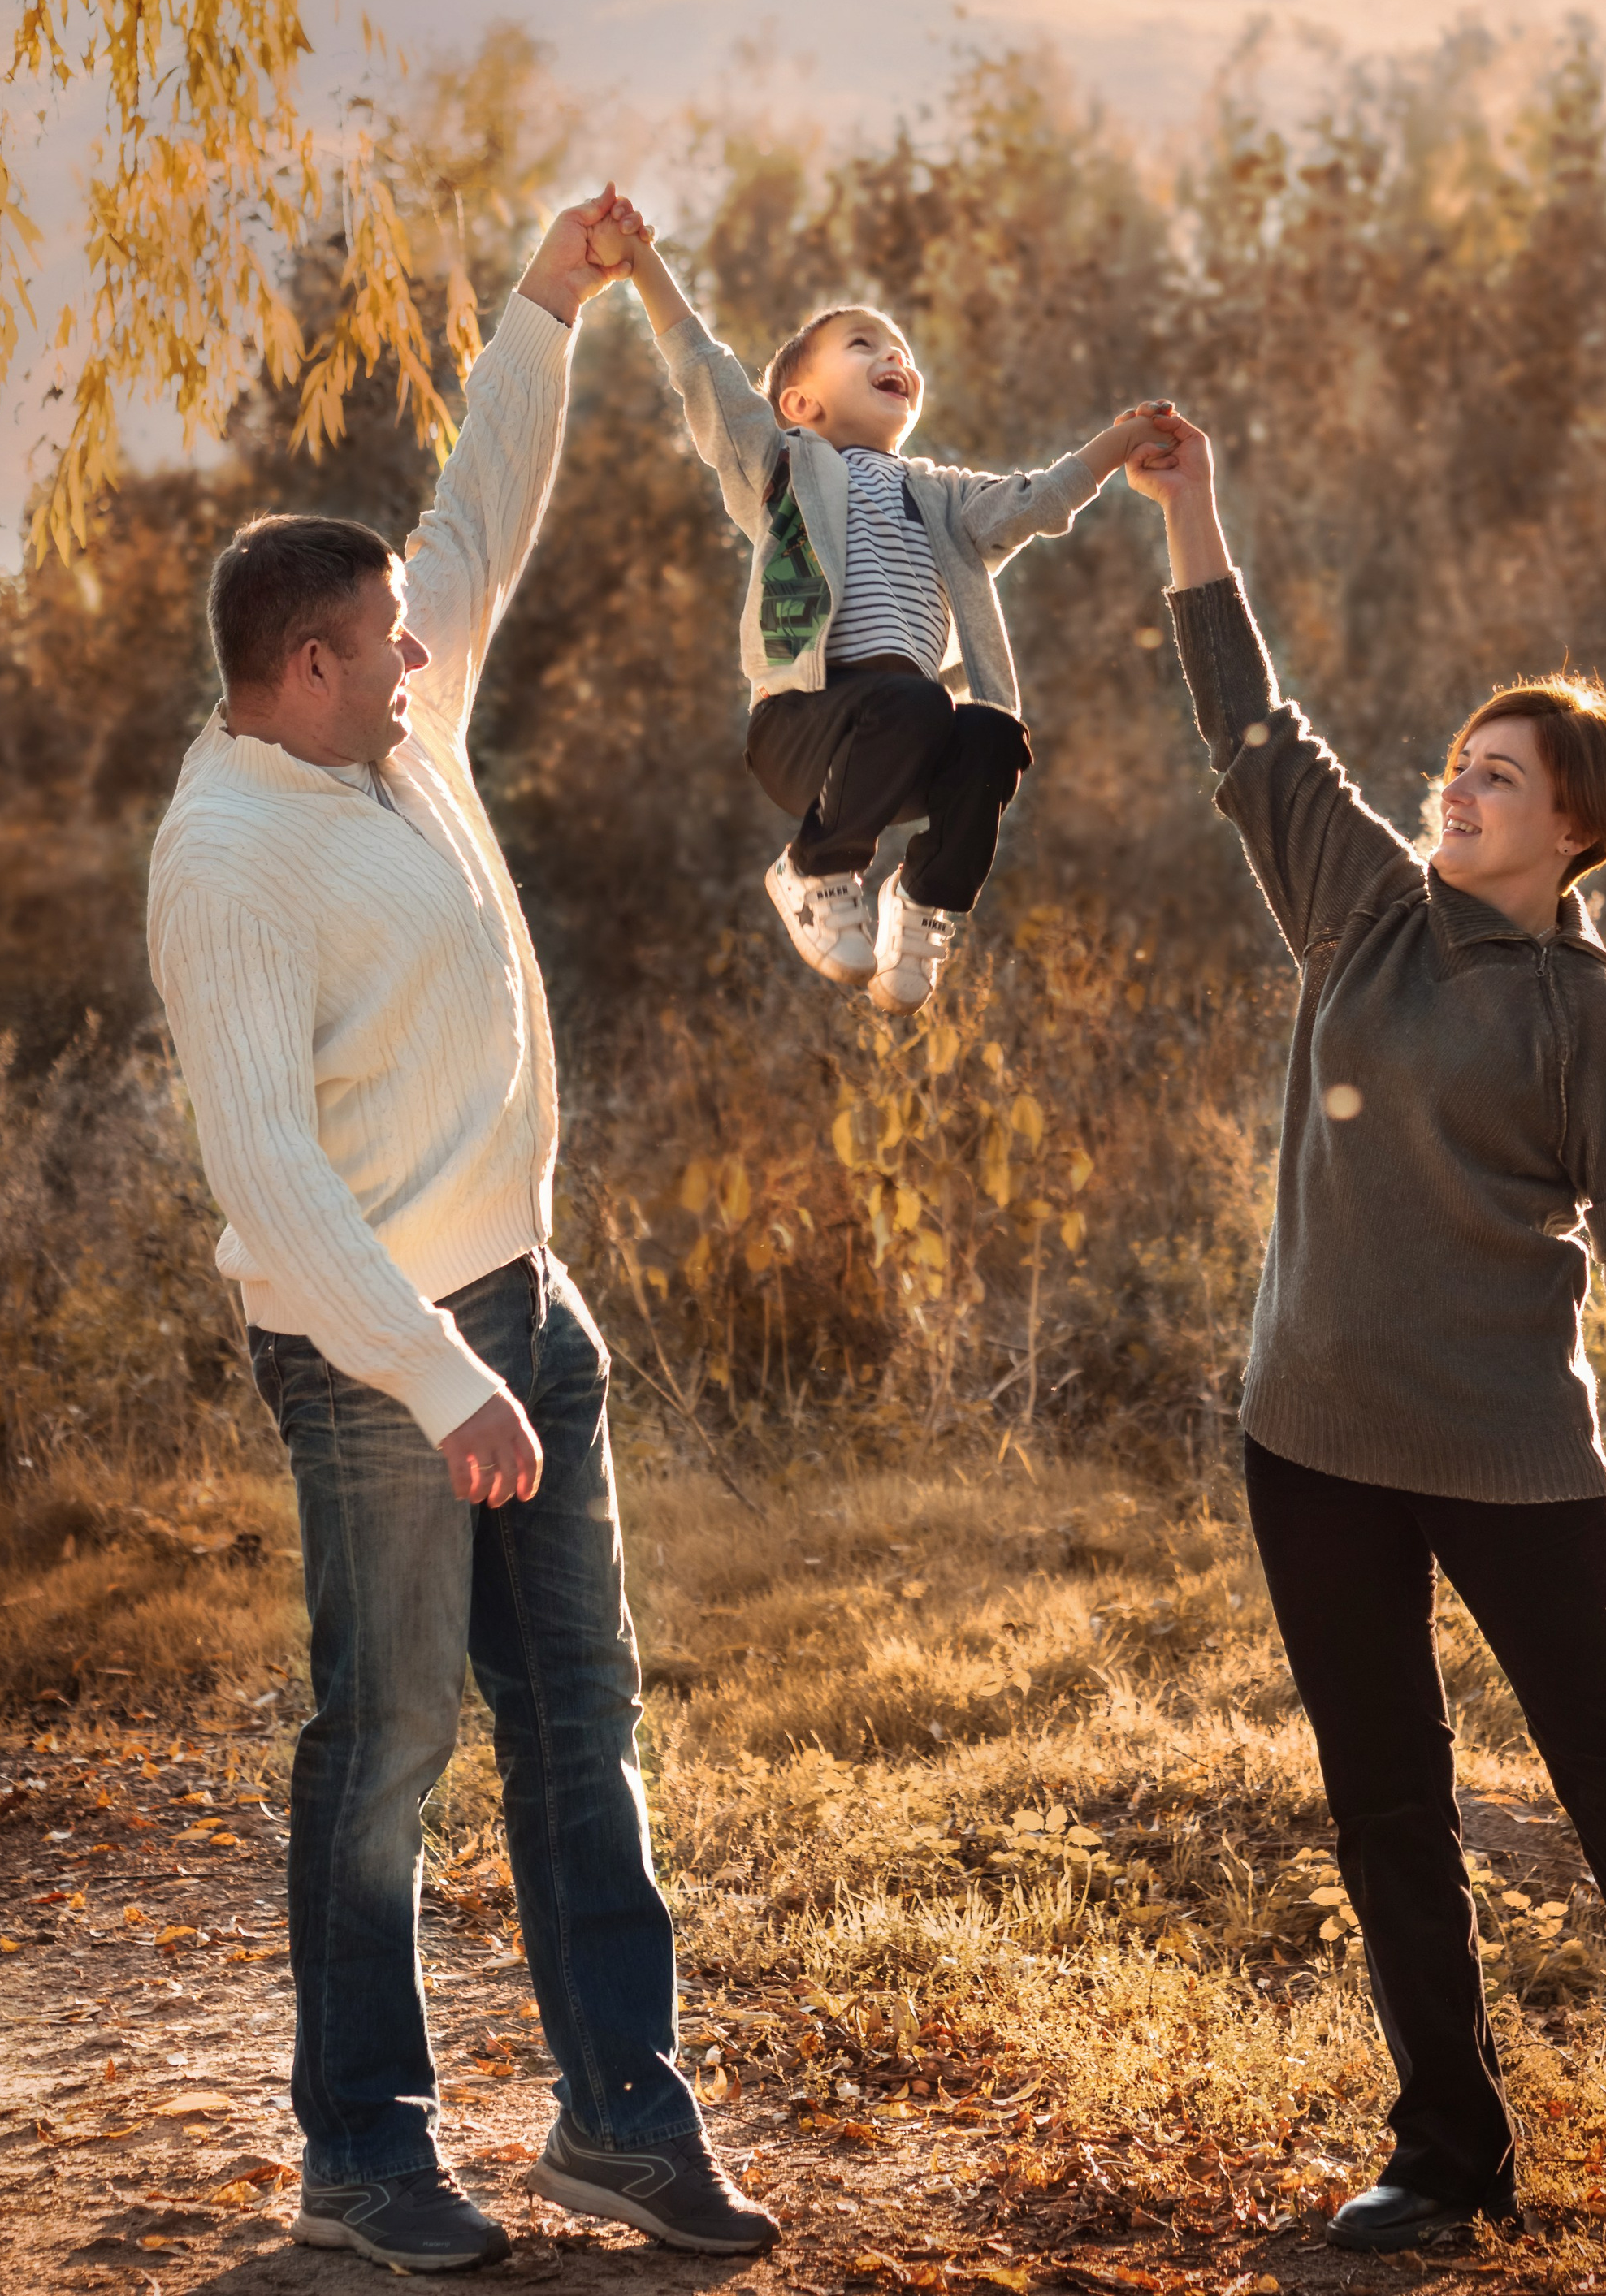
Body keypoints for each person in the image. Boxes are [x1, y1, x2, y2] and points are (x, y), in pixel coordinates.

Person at [1121, 409, 1606, 2287]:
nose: (1455, 790)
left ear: (1575, 826)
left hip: (1511, 1461)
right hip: (1309, 1446)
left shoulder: (1589, 1026)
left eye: (1495, 779)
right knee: (1386, 1805)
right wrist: (1193, 508)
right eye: (1455, 765)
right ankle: (1442, 2156)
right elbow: (1247, 722)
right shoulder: (1361, 909)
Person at [145, 188, 781, 2275]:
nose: (425, 650)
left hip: (531, 1304)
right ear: (302, 666)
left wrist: (544, 303)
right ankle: (364, 2153)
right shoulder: (234, 854)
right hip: (371, 1356)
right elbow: (269, 1174)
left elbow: (479, 520)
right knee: (391, 1740)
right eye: (383, 638)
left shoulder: (394, 733)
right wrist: (435, 1373)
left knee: (579, 1718)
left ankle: (622, 2119)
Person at [591, 216, 1169, 1014]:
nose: (892, 356)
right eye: (862, 344)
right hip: (803, 728)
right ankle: (817, 867)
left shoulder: (943, 497)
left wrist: (1120, 440)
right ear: (799, 402)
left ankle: (924, 903)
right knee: (914, 698)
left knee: (994, 730)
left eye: (900, 350)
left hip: (906, 745)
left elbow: (1037, 500)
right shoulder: (783, 465)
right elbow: (705, 373)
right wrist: (644, 264)